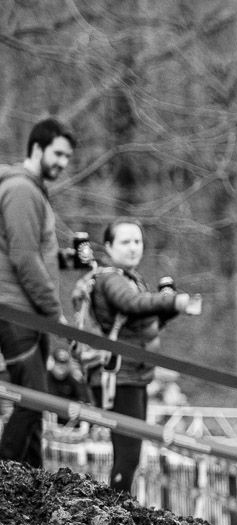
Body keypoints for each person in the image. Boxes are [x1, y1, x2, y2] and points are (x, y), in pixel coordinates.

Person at [77, 219, 198, 493]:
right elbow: (131, 304)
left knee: (131, 452)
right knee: (128, 452)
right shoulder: (110, 278)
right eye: (125, 242)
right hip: (118, 376)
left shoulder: (133, 280)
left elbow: (145, 328)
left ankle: (117, 511)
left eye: (138, 241)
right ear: (108, 246)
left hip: (135, 374)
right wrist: (170, 300)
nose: (133, 248)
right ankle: (114, 513)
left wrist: (167, 310)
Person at [0, 117, 75, 468]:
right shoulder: (22, 190)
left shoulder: (33, 190)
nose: (63, 163)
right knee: (35, 398)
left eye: (68, 157)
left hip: (29, 311)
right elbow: (24, 257)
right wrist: (53, 312)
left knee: (33, 401)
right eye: (58, 154)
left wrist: (65, 259)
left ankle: (32, 485)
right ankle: (5, 472)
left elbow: (32, 250)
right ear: (37, 148)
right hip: (15, 309)